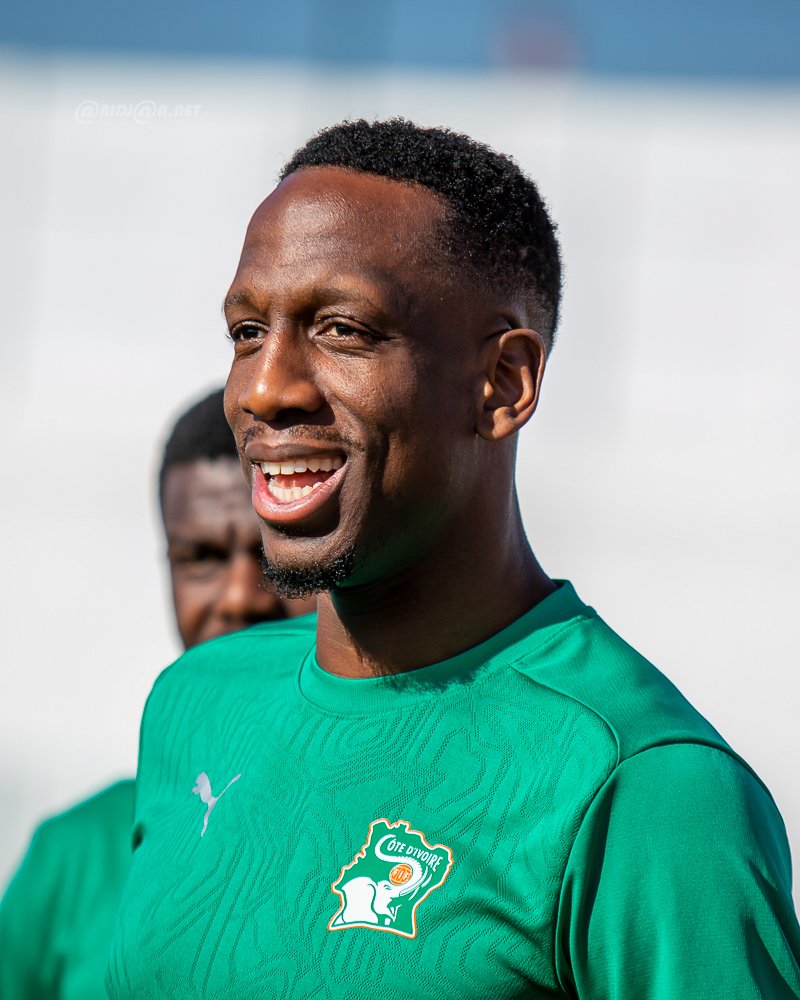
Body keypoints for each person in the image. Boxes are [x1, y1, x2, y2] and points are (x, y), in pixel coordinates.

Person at [106, 120, 800, 998]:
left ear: (503, 384)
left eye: (342, 329)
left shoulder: (647, 787)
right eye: (248, 331)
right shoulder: (196, 701)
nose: (264, 388)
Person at [0, 388, 315, 999]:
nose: (239, 595)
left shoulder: (387, 827)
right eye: (201, 557)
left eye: (272, 552)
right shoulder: (75, 857)